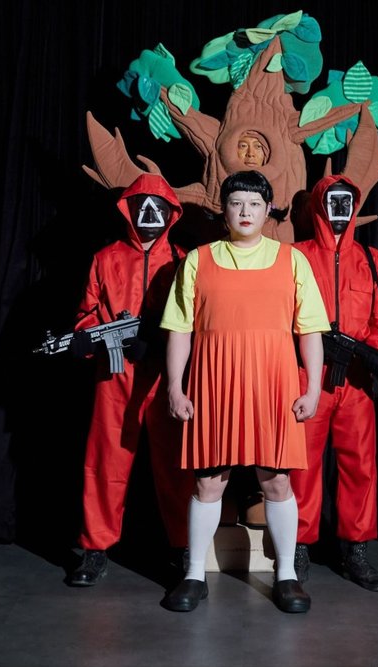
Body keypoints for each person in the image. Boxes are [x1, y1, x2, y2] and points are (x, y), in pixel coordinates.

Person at [159, 169, 330, 613]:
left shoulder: (292, 260)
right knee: (208, 482)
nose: (245, 211)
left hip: (273, 385)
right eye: (237, 203)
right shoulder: (198, 260)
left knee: (277, 481)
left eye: (254, 203)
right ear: (225, 209)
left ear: (268, 210)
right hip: (213, 384)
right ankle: (194, 575)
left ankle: (286, 575)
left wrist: (312, 388)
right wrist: (175, 387)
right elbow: (179, 329)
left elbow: (310, 329)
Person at [68, 173, 195, 587]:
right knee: (105, 463)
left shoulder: (183, 260)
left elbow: (196, 320)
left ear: (171, 213)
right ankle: (95, 549)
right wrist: (87, 338)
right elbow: (87, 313)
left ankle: (184, 549)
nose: (150, 214)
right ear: (129, 210)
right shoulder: (105, 258)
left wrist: (157, 343)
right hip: (114, 376)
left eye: (158, 207)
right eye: (142, 206)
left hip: (166, 376)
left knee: (176, 466)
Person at [290, 174, 378, 592]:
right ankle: (298, 547)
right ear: (319, 205)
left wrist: (366, 351)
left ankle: (356, 549)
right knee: (302, 466)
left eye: (346, 201)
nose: (339, 208)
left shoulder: (373, 259)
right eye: (331, 200)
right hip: (308, 377)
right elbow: (281, 312)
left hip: (355, 379)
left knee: (360, 466)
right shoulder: (297, 255)